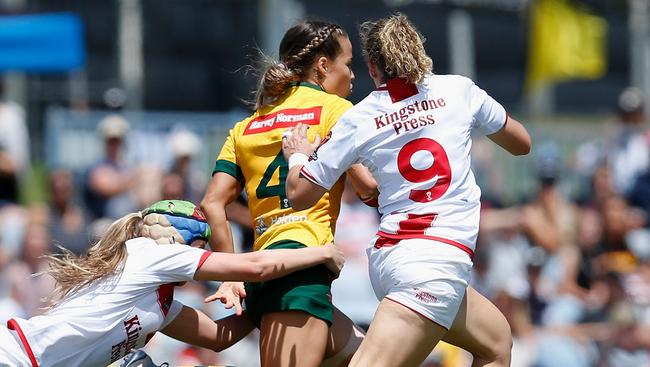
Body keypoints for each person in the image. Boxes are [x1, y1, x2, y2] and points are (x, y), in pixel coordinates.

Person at [282, 14, 532, 367]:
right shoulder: (459, 90)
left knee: (496, 342)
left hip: (395, 258)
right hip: (433, 264)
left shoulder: (359, 116)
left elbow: (300, 194)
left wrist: (297, 157)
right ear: (419, 52)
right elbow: (522, 144)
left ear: (372, 68)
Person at [200, 19, 376, 367]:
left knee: (368, 358)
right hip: (301, 273)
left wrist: (230, 275)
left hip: (267, 268)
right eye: (349, 63)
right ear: (323, 66)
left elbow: (212, 203)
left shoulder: (245, 126)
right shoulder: (335, 110)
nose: (353, 75)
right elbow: (369, 190)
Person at [0, 199, 344, 367]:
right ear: (180, 238)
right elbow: (254, 266)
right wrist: (320, 253)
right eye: (202, 246)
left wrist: (262, 299)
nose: (205, 254)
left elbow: (221, 338)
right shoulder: (150, 254)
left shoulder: (160, 306)